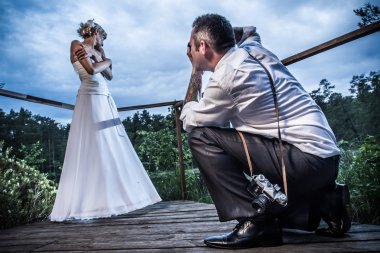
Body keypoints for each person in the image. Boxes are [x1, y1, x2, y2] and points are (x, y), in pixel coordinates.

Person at [180, 13, 352, 249]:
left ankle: (256, 221)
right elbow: (249, 30)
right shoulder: (253, 49)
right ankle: (326, 200)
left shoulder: (226, 76)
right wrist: (218, 31)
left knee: (201, 136)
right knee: (287, 213)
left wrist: (195, 72)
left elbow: (189, 120)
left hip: (302, 162)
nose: (188, 51)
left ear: (203, 46)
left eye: (190, 45)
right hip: (327, 160)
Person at [49, 20, 161, 221]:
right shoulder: (76, 44)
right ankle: (90, 203)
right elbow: (91, 71)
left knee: (110, 142)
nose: (103, 41)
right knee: (93, 143)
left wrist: (104, 59)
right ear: (95, 32)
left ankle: (116, 198)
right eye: (102, 37)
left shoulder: (101, 53)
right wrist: (102, 60)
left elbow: (109, 75)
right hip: (89, 95)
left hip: (104, 95)